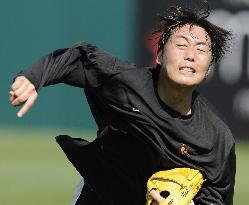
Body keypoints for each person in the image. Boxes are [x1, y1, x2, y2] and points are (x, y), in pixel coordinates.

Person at [10, 4, 236, 205]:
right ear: (159, 56)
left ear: (209, 67)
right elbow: (78, 59)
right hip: (100, 196)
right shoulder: (127, 83)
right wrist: (33, 77)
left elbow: (217, 197)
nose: (190, 55)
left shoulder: (216, 139)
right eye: (182, 44)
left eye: (201, 49)